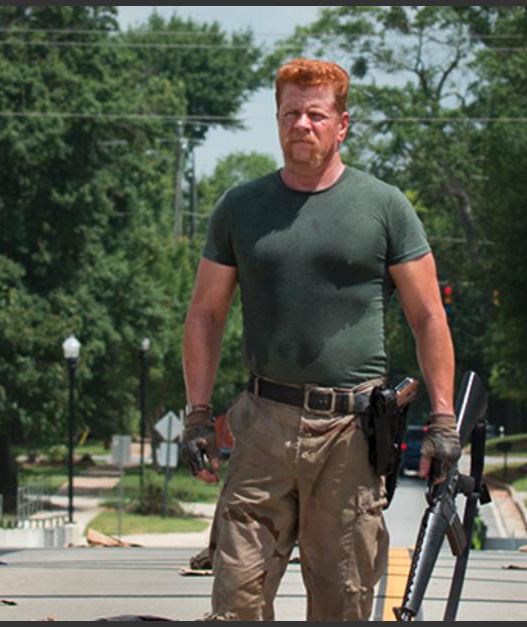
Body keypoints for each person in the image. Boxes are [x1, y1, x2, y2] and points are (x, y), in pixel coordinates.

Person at [180, 58, 459, 621]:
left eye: (315, 114)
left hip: (349, 434)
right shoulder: (241, 207)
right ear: (277, 119)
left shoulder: (384, 207)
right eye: (290, 114)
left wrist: (443, 420)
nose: (300, 125)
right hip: (261, 424)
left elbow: (428, 315)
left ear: (342, 124)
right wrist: (198, 414)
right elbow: (206, 314)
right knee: (234, 599)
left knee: (342, 604)